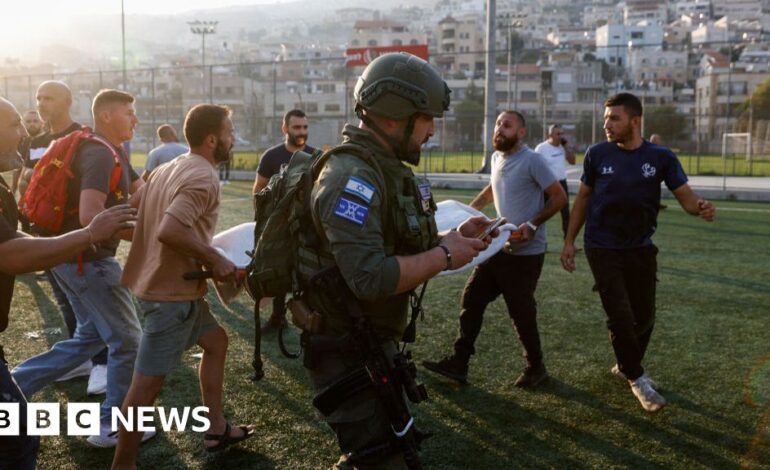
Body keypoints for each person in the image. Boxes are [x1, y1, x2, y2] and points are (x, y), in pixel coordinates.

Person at [300, 52, 491, 468]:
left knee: (389, 448)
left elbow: (390, 247)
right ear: (393, 115)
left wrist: (451, 239)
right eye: (426, 118)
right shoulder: (352, 179)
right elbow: (369, 277)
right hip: (344, 347)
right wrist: (443, 255)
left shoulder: (383, 169)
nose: (432, 130)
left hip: (369, 339)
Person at [113, 104, 255, 468]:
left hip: (174, 288)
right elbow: (169, 230)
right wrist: (215, 257)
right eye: (230, 132)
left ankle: (216, 428)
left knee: (216, 341)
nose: (233, 138)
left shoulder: (165, 168)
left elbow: (133, 210)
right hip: (169, 297)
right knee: (144, 390)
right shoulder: (202, 176)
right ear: (212, 140)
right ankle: (122, 465)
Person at [0, 96, 136, 470]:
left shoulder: (111, 149)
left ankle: (18, 383)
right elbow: (92, 217)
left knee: (90, 336)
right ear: (106, 116)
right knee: (128, 340)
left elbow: (141, 191)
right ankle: (112, 423)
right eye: (14, 124)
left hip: (72, 258)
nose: (25, 132)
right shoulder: (99, 153)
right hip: (88, 262)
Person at [560, 92, 716, 412]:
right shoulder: (597, 154)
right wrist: (568, 241)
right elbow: (583, 200)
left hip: (641, 247)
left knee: (645, 317)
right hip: (601, 245)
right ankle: (637, 377)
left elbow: (685, 197)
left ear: (635, 121)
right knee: (620, 314)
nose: (607, 124)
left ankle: (625, 364)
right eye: (605, 118)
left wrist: (699, 207)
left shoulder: (661, 157)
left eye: (614, 118)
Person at [423, 111, 567, 388]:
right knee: (471, 300)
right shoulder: (497, 157)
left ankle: (536, 368)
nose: (500, 129)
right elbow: (493, 189)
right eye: (498, 124)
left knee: (521, 312)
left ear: (521, 132)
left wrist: (532, 225)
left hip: (525, 254)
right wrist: (467, 212)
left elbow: (559, 197)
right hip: (497, 247)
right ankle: (459, 362)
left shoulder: (532, 160)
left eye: (507, 125)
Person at [22, 81, 111, 393]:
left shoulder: (82, 138)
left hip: (74, 236)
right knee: (65, 301)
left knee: (91, 305)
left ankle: (102, 363)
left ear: (68, 101)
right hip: (43, 236)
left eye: (50, 97)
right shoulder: (35, 141)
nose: (42, 103)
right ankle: (86, 359)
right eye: (39, 97)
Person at [249, 109, 315, 381]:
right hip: (278, 229)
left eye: (304, 127)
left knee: (308, 275)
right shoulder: (272, 156)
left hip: (304, 227)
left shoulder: (313, 156)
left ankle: (310, 326)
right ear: (284, 128)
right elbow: (258, 191)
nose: (301, 132)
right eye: (296, 127)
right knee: (277, 271)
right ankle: (277, 317)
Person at [534, 124, 575, 238]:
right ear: (550, 135)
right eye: (558, 134)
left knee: (566, 213)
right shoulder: (541, 148)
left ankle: (568, 241)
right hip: (547, 184)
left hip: (561, 183)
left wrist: (567, 147)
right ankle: (537, 239)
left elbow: (572, 161)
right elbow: (535, 166)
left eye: (562, 134)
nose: (561, 136)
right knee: (541, 213)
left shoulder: (563, 147)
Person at [11, 110, 44, 197]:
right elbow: (18, 168)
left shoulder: (49, 141)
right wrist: (13, 189)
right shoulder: (21, 142)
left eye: (35, 121)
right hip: (25, 188)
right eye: (28, 121)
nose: (32, 124)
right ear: (23, 123)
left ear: (42, 123)